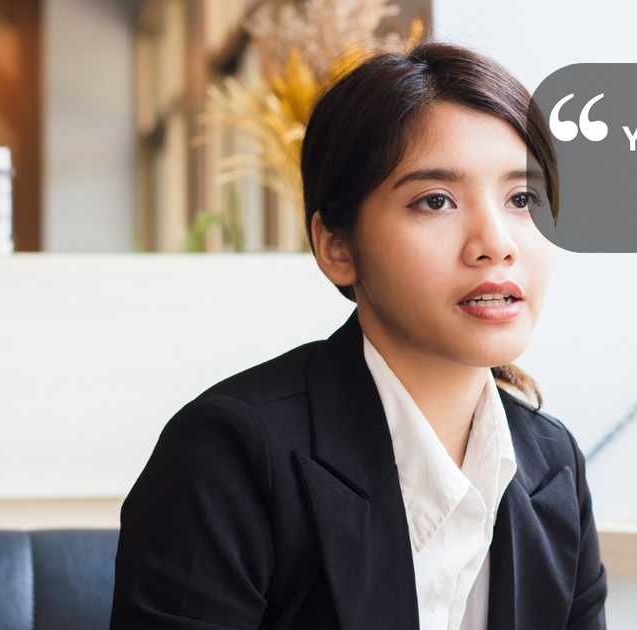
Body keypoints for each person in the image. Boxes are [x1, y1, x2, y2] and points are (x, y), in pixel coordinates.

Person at [109, 40, 607, 630]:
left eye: (523, 198)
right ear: (337, 247)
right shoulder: (230, 452)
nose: (495, 242)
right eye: (436, 200)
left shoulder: (553, 463)